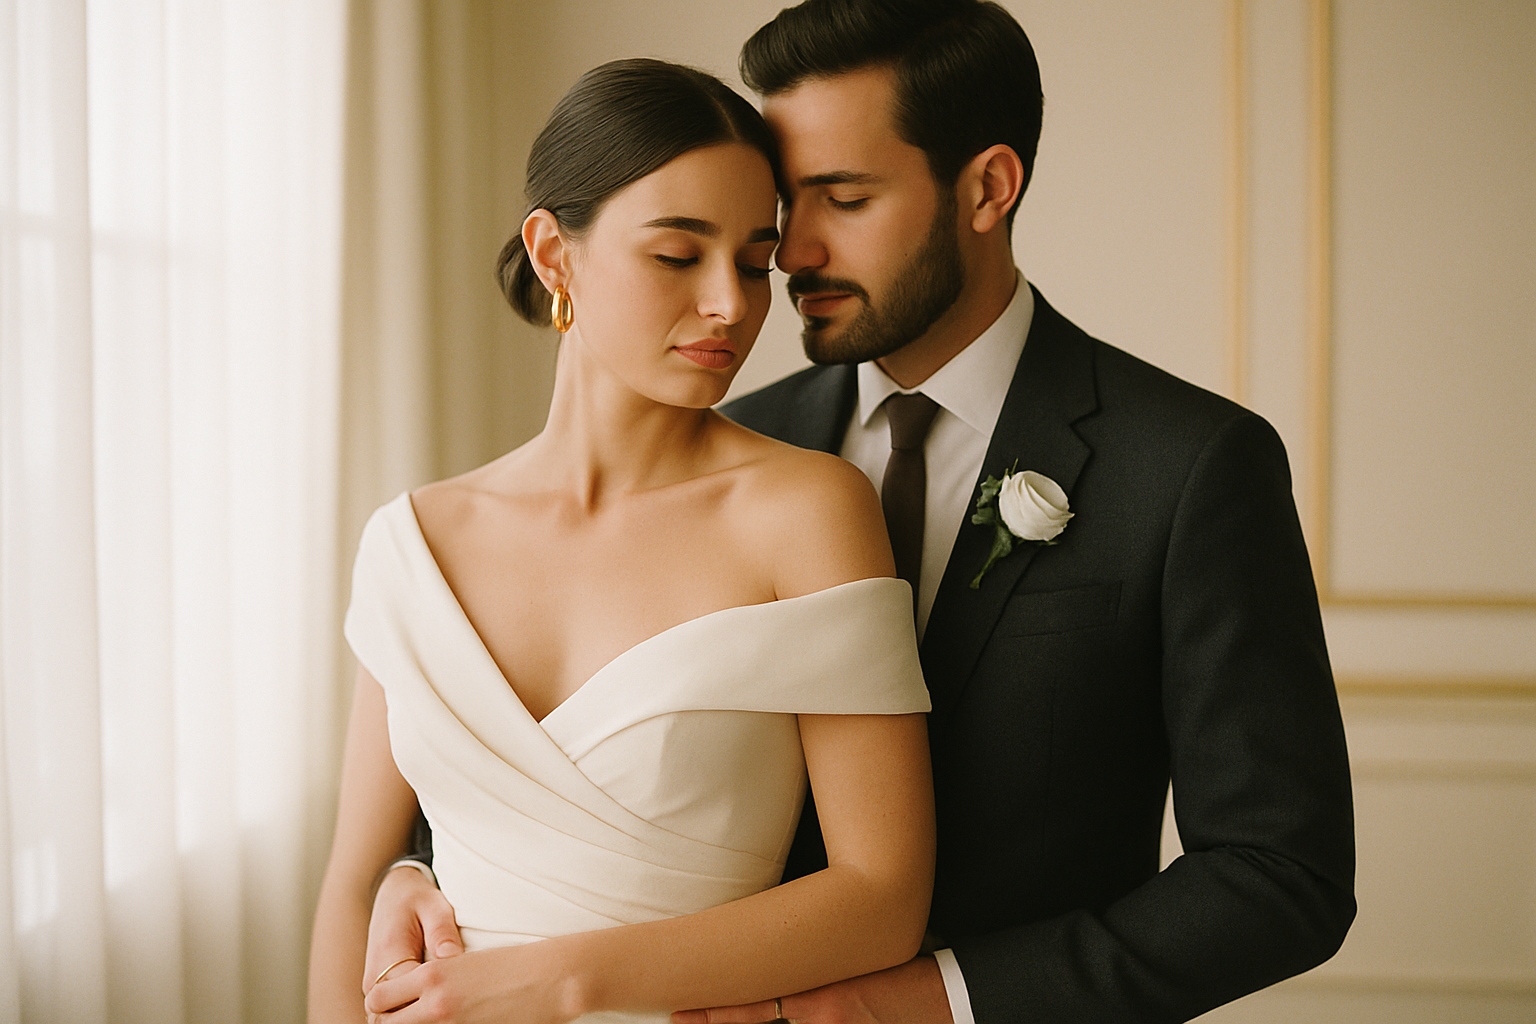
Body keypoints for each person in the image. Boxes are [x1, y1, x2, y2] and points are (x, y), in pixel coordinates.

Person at [367, 2, 1357, 1022]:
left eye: (842, 198)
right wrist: (410, 870)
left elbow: (1282, 874)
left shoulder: (1189, 465)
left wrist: (935, 999)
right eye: (787, 211)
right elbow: (579, 770)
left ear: (986, 187)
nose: (790, 258)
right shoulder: (727, 436)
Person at [307, 57, 936, 1024]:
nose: (731, 303)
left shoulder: (807, 511)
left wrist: (559, 982)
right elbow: (355, 885)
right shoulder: (416, 541)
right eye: (678, 257)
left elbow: (883, 898)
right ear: (556, 254)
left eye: (755, 260)